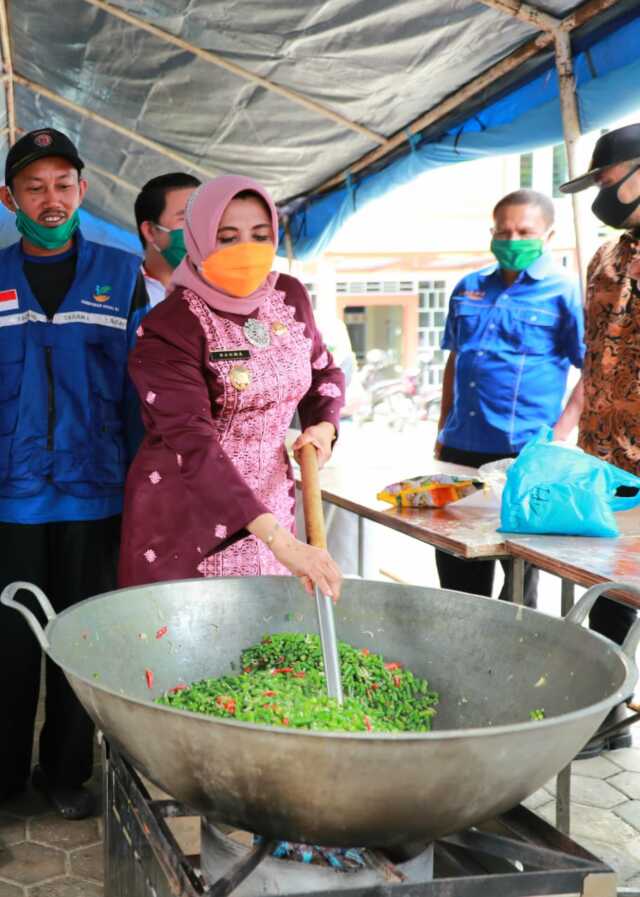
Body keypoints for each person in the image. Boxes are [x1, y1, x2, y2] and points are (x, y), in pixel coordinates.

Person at [0, 129, 149, 818]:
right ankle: (3, 775)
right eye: (34, 187)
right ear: (9, 198)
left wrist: (145, 490)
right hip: (10, 500)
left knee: (77, 638)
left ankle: (66, 771)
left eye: (63, 184)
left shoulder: (122, 279)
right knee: (6, 646)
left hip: (96, 495)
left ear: (83, 191)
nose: (50, 199)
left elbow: (140, 396)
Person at [119, 175, 344, 599]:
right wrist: (283, 543)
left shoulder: (289, 295)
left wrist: (323, 427)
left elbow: (324, 375)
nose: (247, 249)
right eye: (228, 237)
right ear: (200, 239)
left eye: (260, 236)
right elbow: (195, 446)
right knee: (186, 655)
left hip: (276, 507)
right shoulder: (169, 326)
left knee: (269, 649)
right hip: (185, 522)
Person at [435, 189, 584, 607]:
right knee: (457, 566)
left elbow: (592, 371)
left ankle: (515, 665)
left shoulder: (564, 292)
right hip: (460, 450)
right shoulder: (469, 287)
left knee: (518, 578)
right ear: (492, 231)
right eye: (504, 231)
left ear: (548, 235)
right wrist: (441, 429)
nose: (512, 239)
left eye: (524, 231)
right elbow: (455, 362)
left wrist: (557, 436)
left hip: (525, 457)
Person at [557, 123, 640, 753]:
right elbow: (594, 356)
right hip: (604, 457)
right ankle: (601, 714)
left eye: (607, 178)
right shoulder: (606, 255)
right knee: (609, 588)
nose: (602, 193)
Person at [135, 172, 201, 307]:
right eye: (185, 219)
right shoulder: (119, 291)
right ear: (150, 231)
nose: (199, 230)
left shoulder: (219, 301)